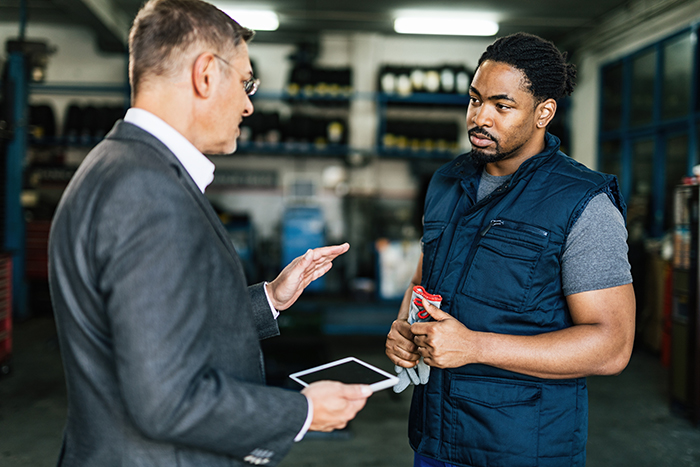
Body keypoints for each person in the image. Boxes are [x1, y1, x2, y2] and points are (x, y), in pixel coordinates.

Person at [48, 0, 372, 465]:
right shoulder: (147, 191)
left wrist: (269, 299)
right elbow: (167, 399)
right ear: (205, 75)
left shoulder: (117, 164)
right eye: (245, 82)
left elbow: (149, 327)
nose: (248, 104)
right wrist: (301, 411)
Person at [385, 32, 635, 467]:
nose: (480, 118)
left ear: (544, 113)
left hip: (522, 447)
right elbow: (422, 281)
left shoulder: (581, 203)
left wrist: (475, 347)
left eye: (502, 106)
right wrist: (405, 329)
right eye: (474, 99)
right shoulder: (446, 183)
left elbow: (611, 346)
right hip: (434, 440)